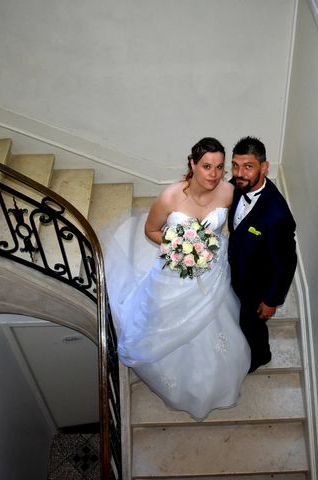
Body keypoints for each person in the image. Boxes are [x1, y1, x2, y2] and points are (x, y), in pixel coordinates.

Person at [101, 137, 250, 420]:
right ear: (192, 164)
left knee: (218, 324)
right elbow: (151, 230)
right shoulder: (170, 197)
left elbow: (230, 226)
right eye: (206, 166)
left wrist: (214, 246)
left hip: (213, 269)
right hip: (175, 270)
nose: (214, 174)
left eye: (219, 167)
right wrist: (180, 247)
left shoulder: (229, 193)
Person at [227, 136, 297, 373]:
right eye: (235, 165)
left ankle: (260, 356)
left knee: (251, 323)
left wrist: (271, 301)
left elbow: (287, 263)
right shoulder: (238, 184)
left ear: (264, 167)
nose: (239, 172)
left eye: (248, 166)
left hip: (257, 287)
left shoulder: (278, 216)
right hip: (236, 268)